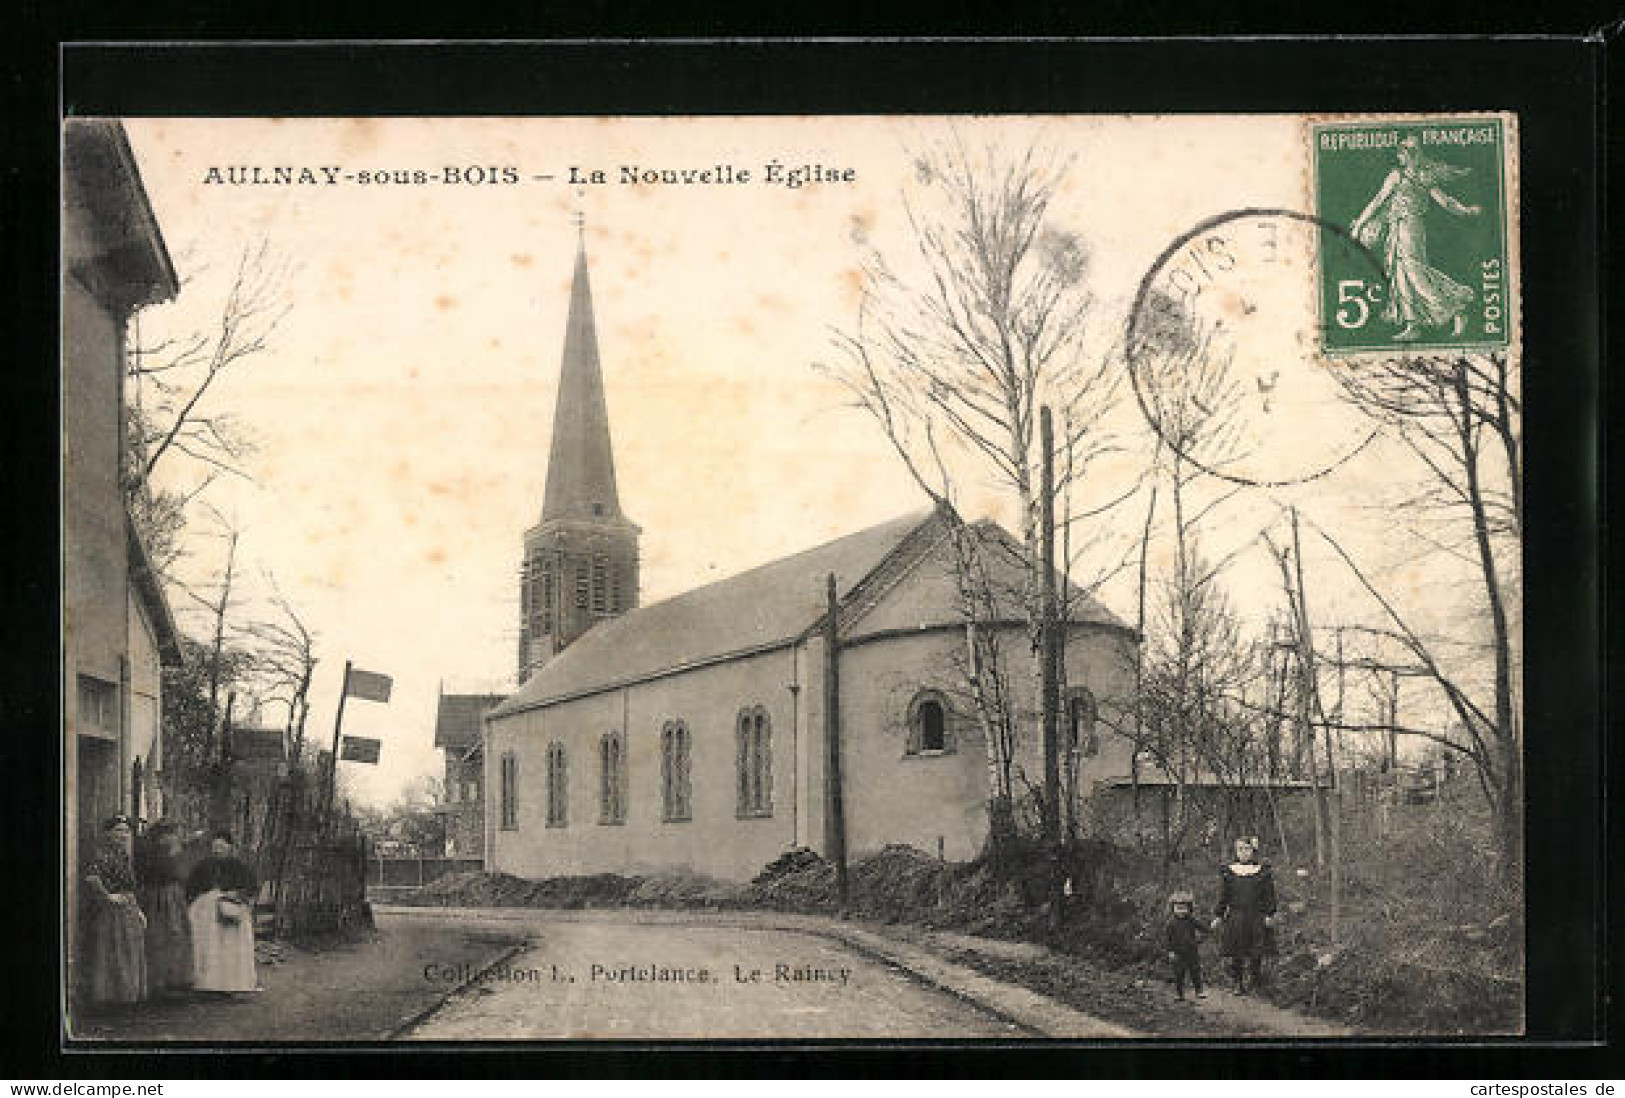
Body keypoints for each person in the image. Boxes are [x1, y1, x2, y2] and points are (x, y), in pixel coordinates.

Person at [1349, 135, 1483, 342]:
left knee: (1414, 272)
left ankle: (1455, 310)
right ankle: (1413, 324)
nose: (1401, 156)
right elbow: (1378, 201)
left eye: (1405, 152)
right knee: (1399, 273)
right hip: (1397, 227)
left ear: (1413, 155)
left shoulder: (1423, 176)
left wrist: (1465, 211)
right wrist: (1359, 225)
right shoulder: (1397, 175)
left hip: (1411, 227)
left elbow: (1445, 202)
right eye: (1401, 152)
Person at [81, 815, 148, 1006]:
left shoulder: (124, 854)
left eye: (126, 831)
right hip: (112, 910)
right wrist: (108, 896)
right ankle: (112, 996)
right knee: (114, 950)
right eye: (118, 830)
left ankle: (126, 995)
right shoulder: (102, 853)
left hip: (129, 905)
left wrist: (139, 911)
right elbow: (92, 878)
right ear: (108, 833)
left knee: (129, 950)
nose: (123, 835)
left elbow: (130, 885)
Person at [185, 830, 259, 993]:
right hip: (207, 912)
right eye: (215, 846)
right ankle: (209, 983)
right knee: (209, 945)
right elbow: (191, 887)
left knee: (230, 947)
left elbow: (251, 887)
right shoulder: (203, 865)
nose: (218, 850)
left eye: (222, 846)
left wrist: (237, 894)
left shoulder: (238, 865)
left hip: (231, 909)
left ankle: (232, 983)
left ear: (229, 847)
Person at [1211, 835, 1277, 995]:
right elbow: (1224, 895)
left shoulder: (1262, 871)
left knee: (1257, 948)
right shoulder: (1230, 872)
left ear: (1253, 851)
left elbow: (1269, 894)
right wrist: (1218, 915)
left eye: (1247, 849)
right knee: (1237, 950)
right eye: (1240, 849)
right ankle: (1238, 982)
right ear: (1236, 851)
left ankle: (1255, 979)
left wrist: (1270, 913)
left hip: (1256, 915)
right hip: (1236, 915)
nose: (1244, 852)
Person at [135, 821, 192, 995]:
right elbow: (150, 875)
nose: (173, 838)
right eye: (169, 834)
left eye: (174, 834)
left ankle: (175, 978)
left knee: (176, 936)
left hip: (174, 897)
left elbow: (183, 876)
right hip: (157, 897)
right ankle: (158, 981)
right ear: (160, 837)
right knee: (158, 936)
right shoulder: (152, 853)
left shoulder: (176, 853)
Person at [1165, 888, 1206, 1000]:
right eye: (1178, 908)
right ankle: (1179, 994)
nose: (1181, 911)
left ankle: (1199, 991)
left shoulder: (1191, 920)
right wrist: (1170, 951)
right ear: (1173, 909)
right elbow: (1168, 939)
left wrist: (1207, 932)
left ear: (1189, 909)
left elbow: (1202, 927)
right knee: (1179, 974)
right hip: (1178, 953)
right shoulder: (1171, 923)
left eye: (1184, 908)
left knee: (1195, 972)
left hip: (1192, 951)